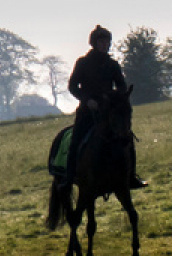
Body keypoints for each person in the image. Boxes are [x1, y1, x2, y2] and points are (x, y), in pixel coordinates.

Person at [63, 25, 147, 189]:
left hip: (110, 113)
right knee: (76, 141)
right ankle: (69, 177)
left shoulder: (113, 65)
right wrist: (87, 100)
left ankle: (131, 176)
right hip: (88, 112)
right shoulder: (83, 63)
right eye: (101, 41)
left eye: (107, 41)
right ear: (94, 43)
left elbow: (121, 86)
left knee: (127, 139)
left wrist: (116, 97)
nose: (104, 44)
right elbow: (73, 86)